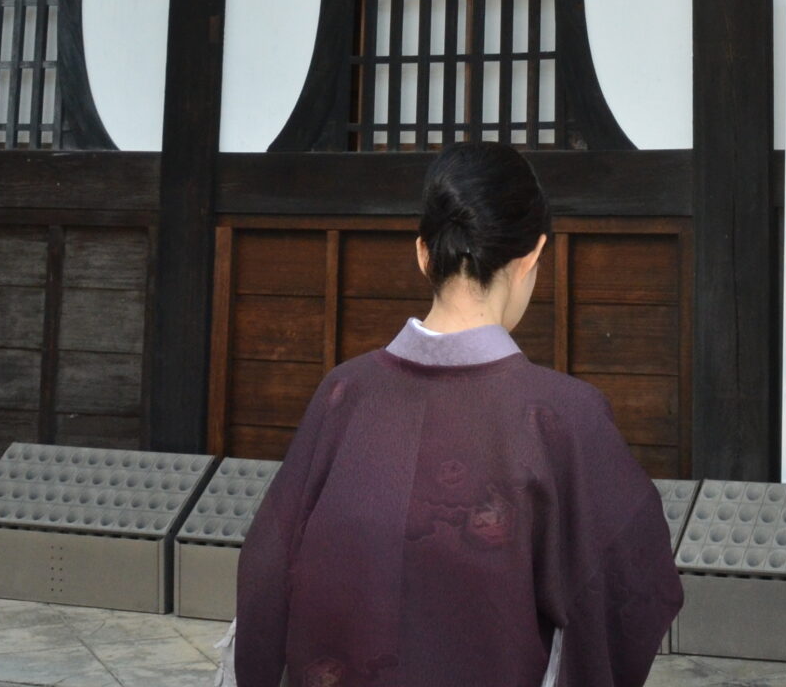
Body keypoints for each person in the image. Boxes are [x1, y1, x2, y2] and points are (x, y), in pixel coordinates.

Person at [234, 143, 680, 687]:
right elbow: (624, 583)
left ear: (423, 253)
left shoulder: (344, 394)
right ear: (532, 257)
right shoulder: (563, 416)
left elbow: (267, 569)